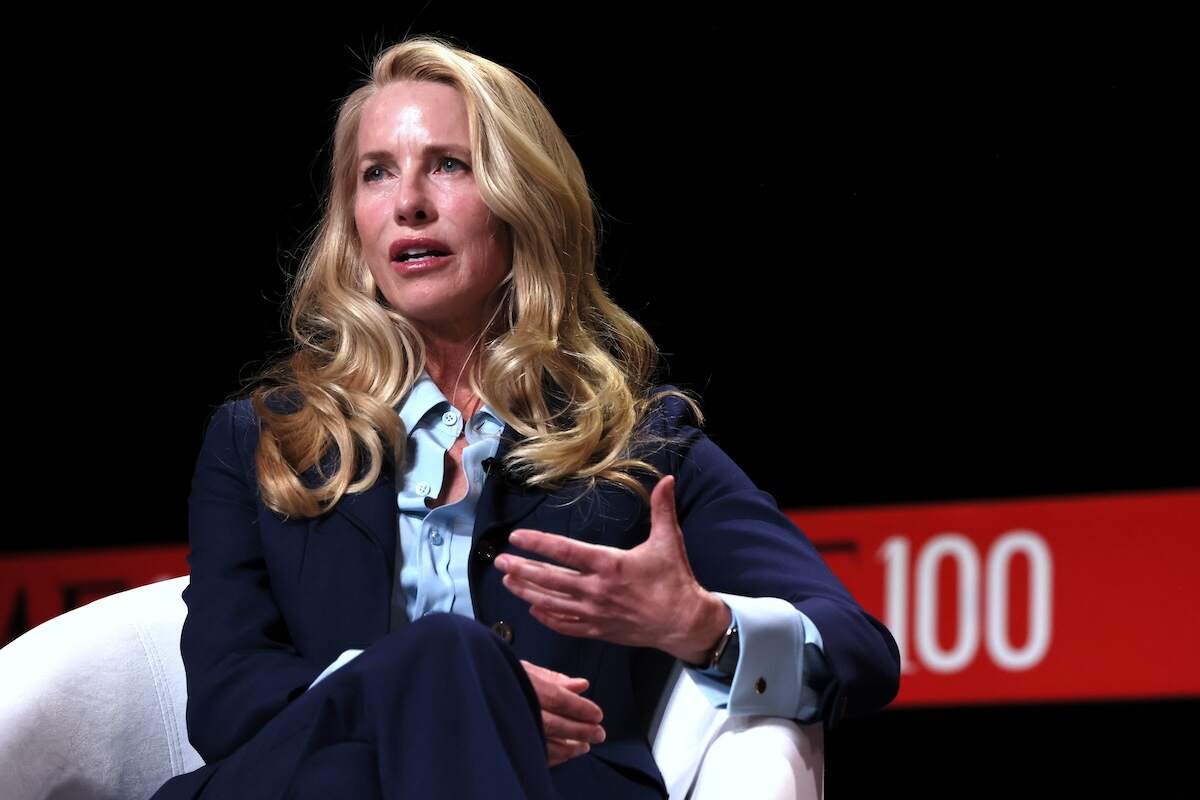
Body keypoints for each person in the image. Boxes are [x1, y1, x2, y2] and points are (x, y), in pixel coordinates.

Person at [151, 34, 900, 800]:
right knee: (434, 668)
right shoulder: (264, 440)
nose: (408, 201)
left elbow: (862, 651)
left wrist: (702, 626)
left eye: (449, 164)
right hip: (314, 786)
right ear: (354, 224)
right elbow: (225, 701)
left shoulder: (639, 449)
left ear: (522, 201)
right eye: (377, 173)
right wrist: (440, 693)